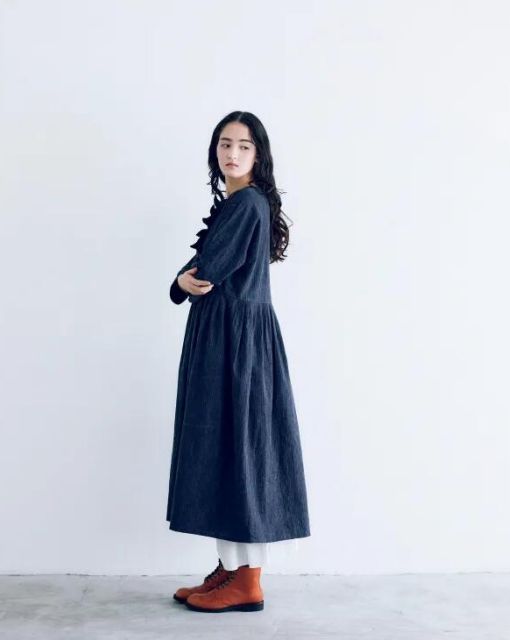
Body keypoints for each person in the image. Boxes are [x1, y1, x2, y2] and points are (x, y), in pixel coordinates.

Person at [166, 111, 310, 613]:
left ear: (258, 155)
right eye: (225, 144)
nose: (232, 153)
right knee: (227, 448)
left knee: (239, 449)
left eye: (244, 146)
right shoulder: (239, 203)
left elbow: (206, 272)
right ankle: (231, 570)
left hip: (236, 342)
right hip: (228, 336)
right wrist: (183, 281)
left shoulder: (247, 203)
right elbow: (201, 273)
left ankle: (247, 581)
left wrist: (180, 282)